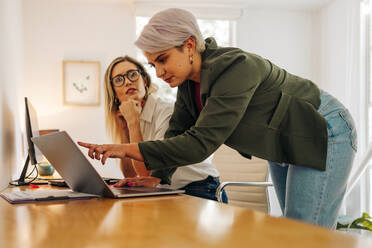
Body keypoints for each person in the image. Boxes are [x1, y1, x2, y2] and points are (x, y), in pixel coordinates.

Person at [78, 8, 357, 228]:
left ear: (189, 46)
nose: (159, 72)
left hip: (324, 127)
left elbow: (200, 143)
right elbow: (177, 133)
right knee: (296, 229)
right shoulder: (189, 85)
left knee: (304, 233)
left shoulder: (235, 68)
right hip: (285, 138)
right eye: (153, 64)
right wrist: (159, 177)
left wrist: (124, 149)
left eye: (162, 59)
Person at [102, 55, 227, 202]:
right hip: (168, 191)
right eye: (118, 80)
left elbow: (147, 175)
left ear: (145, 81)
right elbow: (130, 175)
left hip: (200, 189)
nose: (128, 81)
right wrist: (125, 130)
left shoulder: (167, 112)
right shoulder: (131, 115)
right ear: (114, 94)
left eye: (132, 74)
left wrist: (133, 123)